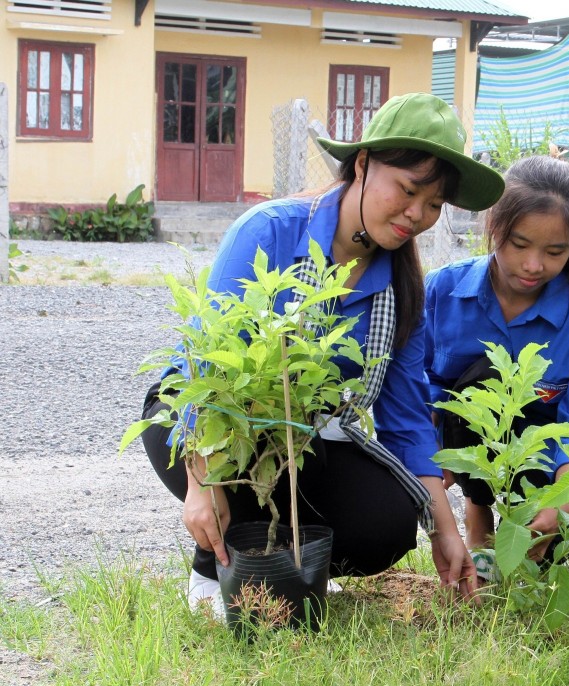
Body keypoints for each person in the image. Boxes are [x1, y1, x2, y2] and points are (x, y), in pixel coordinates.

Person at [140, 93, 505, 612]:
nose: (416, 214)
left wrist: (444, 531)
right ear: (362, 164)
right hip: (201, 418)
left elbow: (405, 421)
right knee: (245, 423)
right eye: (408, 190)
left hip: (305, 437)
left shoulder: (400, 289)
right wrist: (202, 483)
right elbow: (208, 362)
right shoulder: (268, 231)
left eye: (433, 204)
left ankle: (293, 555)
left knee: (388, 522)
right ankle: (217, 566)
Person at [423, 155, 569, 575]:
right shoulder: (443, 290)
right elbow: (420, 383)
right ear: (494, 227)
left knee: (544, 560)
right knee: (485, 376)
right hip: (467, 440)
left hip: (542, 451)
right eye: (520, 245)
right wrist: (432, 453)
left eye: (554, 251)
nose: (534, 265)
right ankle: (478, 511)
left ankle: (529, 517)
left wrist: (564, 497)